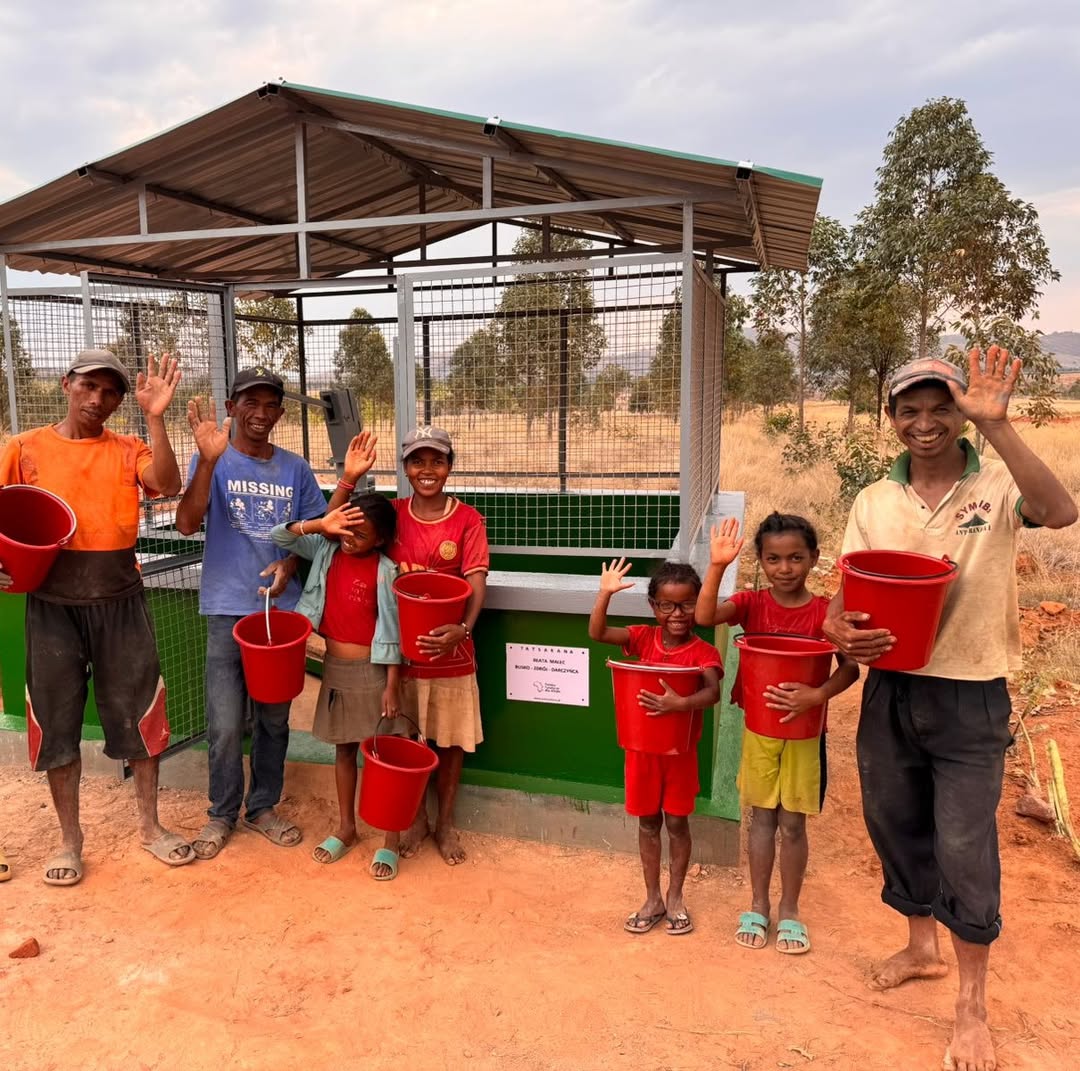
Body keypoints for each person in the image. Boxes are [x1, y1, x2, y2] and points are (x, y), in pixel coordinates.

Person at [823, 348, 1077, 1071]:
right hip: (891, 686)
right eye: (910, 408)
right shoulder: (874, 499)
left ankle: (972, 1006)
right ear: (893, 417)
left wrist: (997, 425)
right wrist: (837, 628)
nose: (925, 422)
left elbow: (1061, 511)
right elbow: (843, 596)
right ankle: (920, 944)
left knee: (965, 844)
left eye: (941, 406)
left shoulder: (995, 485)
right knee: (893, 819)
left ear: (960, 411)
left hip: (971, 687)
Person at [0, 349, 191, 884]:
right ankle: (69, 840)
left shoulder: (128, 448)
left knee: (141, 716)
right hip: (53, 606)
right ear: (67, 384)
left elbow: (170, 485)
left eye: (111, 392)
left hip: (120, 600)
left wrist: (155, 418)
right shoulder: (23, 448)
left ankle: (151, 828)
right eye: (89, 386)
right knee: (56, 722)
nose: (98, 399)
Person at [176, 368, 327, 859]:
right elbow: (184, 524)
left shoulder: (295, 469)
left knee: (274, 720)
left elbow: (316, 532)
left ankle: (262, 807)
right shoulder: (215, 461)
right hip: (227, 609)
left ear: (280, 413)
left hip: (278, 615)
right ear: (232, 407)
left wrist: (288, 562)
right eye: (250, 403)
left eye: (270, 405)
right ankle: (221, 814)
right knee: (222, 723)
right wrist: (204, 462)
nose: (260, 414)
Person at [696, 514, 858, 954]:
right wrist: (716, 567)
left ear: (813, 560)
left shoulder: (827, 613)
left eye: (795, 558)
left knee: (793, 821)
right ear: (761, 562)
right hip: (760, 730)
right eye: (773, 559)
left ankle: (790, 909)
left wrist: (817, 694)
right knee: (763, 817)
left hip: (806, 732)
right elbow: (705, 614)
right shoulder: (751, 604)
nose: (784, 568)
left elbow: (850, 670)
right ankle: (757, 904)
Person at [327, 427, 488, 866]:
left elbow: (476, 583)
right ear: (405, 468)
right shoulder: (392, 514)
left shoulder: (468, 520)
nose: (427, 471)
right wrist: (349, 479)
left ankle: (445, 824)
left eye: (437, 461)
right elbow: (330, 528)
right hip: (400, 659)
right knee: (407, 741)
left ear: (450, 467)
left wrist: (464, 629)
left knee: (450, 744)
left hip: (451, 656)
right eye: (418, 461)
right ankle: (414, 819)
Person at [271, 492, 405, 878]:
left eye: (361, 535)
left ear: (380, 540)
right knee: (343, 752)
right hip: (335, 669)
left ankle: (390, 838)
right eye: (347, 528)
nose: (350, 538)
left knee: (383, 756)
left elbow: (392, 631)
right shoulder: (326, 551)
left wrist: (391, 685)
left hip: (373, 671)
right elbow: (280, 536)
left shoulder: (385, 570)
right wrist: (321, 525)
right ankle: (347, 828)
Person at [589, 558, 722, 936]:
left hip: (679, 755)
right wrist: (605, 594)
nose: (678, 614)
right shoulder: (641, 637)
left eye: (688, 604)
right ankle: (653, 899)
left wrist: (678, 704)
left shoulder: (702, 651)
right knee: (648, 823)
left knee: (677, 822)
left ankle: (675, 896)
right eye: (668, 605)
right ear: (654, 607)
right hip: (641, 752)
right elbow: (597, 633)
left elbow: (712, 690)